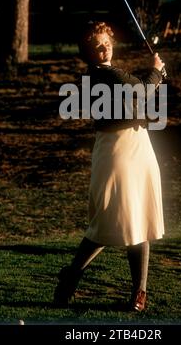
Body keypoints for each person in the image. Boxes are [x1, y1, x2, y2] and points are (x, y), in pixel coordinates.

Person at [53, 21, 165, 312]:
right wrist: (157, 69)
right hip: (117, 152)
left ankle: (139, 292)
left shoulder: (106, 74)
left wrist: (155, 76)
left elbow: (138, 96)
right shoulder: (106, 74)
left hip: (138, 147)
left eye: (105, 42)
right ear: (88, 53)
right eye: (96, 46)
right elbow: (142, 90)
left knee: (138, 219)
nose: (103, 48)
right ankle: (71, 275)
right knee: (107, 222)